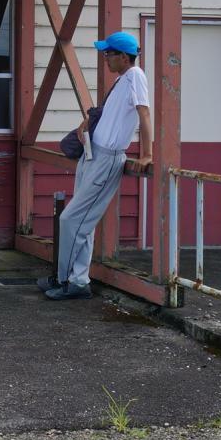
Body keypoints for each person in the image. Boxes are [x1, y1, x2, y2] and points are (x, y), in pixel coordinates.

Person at [45, 31, 151, 301]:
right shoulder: (121, 80)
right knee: (84, 223)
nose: (105, 58)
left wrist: (148, 154)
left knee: (71, 219)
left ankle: (63, 278)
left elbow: (144, 113)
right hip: (93, 154)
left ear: (124, 57)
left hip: (107, 159)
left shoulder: (136, 76)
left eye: (109, 53)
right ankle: (77, 281)